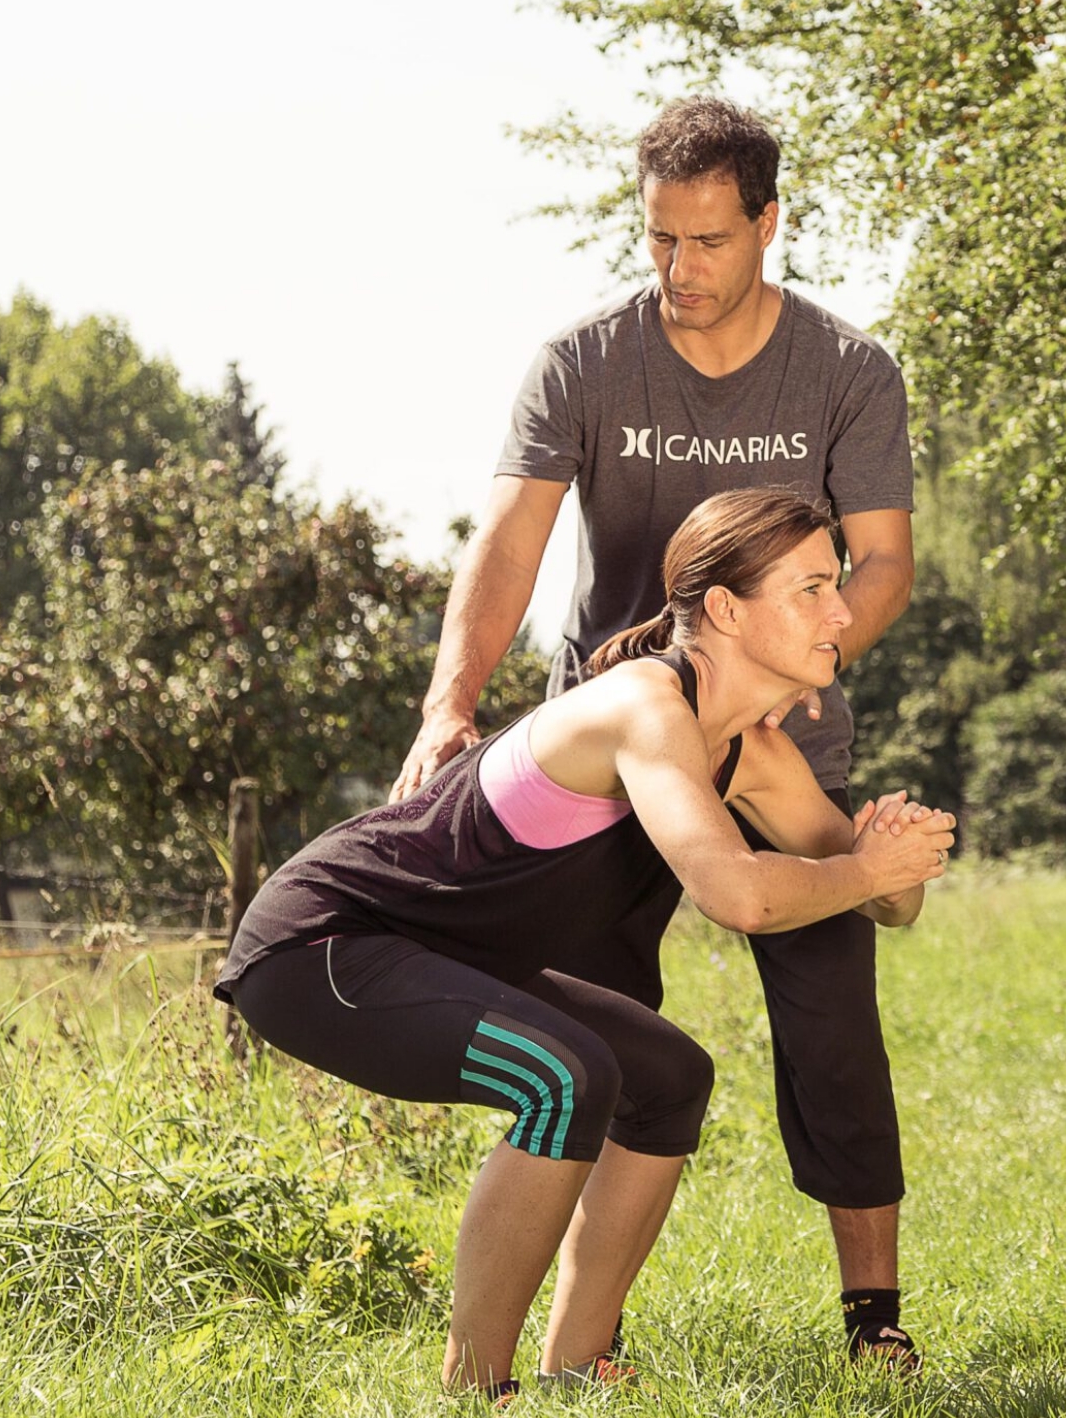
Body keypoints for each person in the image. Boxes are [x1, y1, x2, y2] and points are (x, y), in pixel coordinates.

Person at [390, 95, 929, 1367]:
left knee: (831, 1012)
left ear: (768, 225)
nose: (680, 272)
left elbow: (887, 558)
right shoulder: (584, 362)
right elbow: (512, 538)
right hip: (618, 744)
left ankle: (874, 1322)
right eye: (659, 241)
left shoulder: (849, 372)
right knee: (593, 1029)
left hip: (777, 727)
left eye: (708, 242)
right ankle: (588, 1332)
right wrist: (448, 706)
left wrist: (813, 650)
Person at [221, 490, 955, 1401]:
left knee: (668, 1077)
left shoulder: (756, 756)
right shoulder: (644, 707)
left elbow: (889, 905)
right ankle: (474, 1392)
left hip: (434, 956)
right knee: (566, 1076)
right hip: (323, 945)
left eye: (836, 587)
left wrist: (894, 860)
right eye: (811, 588)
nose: (843, 613)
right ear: (724, 609)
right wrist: (868, 869)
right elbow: (742, 898)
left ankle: (576, 1365)